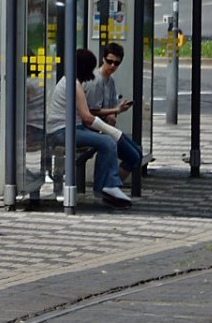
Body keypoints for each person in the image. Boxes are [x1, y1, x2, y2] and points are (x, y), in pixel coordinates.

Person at [47, 48, 132, 208]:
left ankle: (106, 186)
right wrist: (111, 131)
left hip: (69, 129)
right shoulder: (75, 84)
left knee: (106, 142)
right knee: (108, 142)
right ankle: (106, 187)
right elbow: (87, 116)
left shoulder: (71, 81)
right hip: (63, 131)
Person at [84, 42, 144, 182]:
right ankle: (111, 185)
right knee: (133, 156)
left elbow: (108, 108)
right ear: (103, 59)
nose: (112, 66)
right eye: (109, 61)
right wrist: (116, 110)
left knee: (137, 153)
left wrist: (114, 112)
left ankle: (112, 184)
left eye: (116, 63)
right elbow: (91, 111)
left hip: (104, 127)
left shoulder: (110, 80)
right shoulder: (96, 80)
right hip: (94, 128)